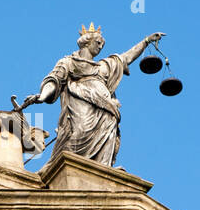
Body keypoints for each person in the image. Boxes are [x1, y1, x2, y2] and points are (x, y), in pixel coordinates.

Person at [24, 25, 164, 167]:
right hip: (80, 108)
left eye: (102, 44)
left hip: (107, 112)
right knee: (77, 136)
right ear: (86, 42)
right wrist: (42, 96)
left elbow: (126, 58)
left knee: (105, 139)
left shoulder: (104, 66)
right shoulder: (69, 62)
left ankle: (102, 170)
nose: (101, 46)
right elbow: (54, 80)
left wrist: (146, 41)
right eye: (98, 42)